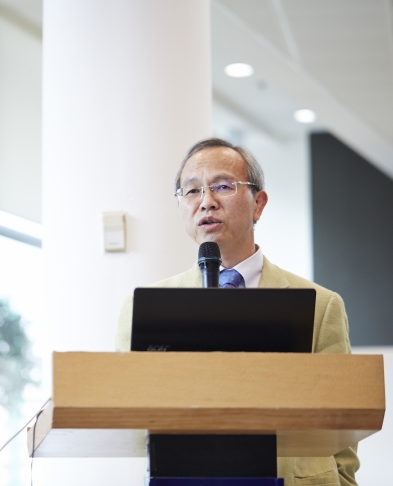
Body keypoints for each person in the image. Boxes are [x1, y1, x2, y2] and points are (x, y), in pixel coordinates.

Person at [114, 138, 359, 486]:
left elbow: (343, 421)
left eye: (222, 186)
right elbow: (129, 415)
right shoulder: (144, 307)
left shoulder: (320, 304)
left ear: (258, 204)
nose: (206, 202)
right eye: (192, 191)